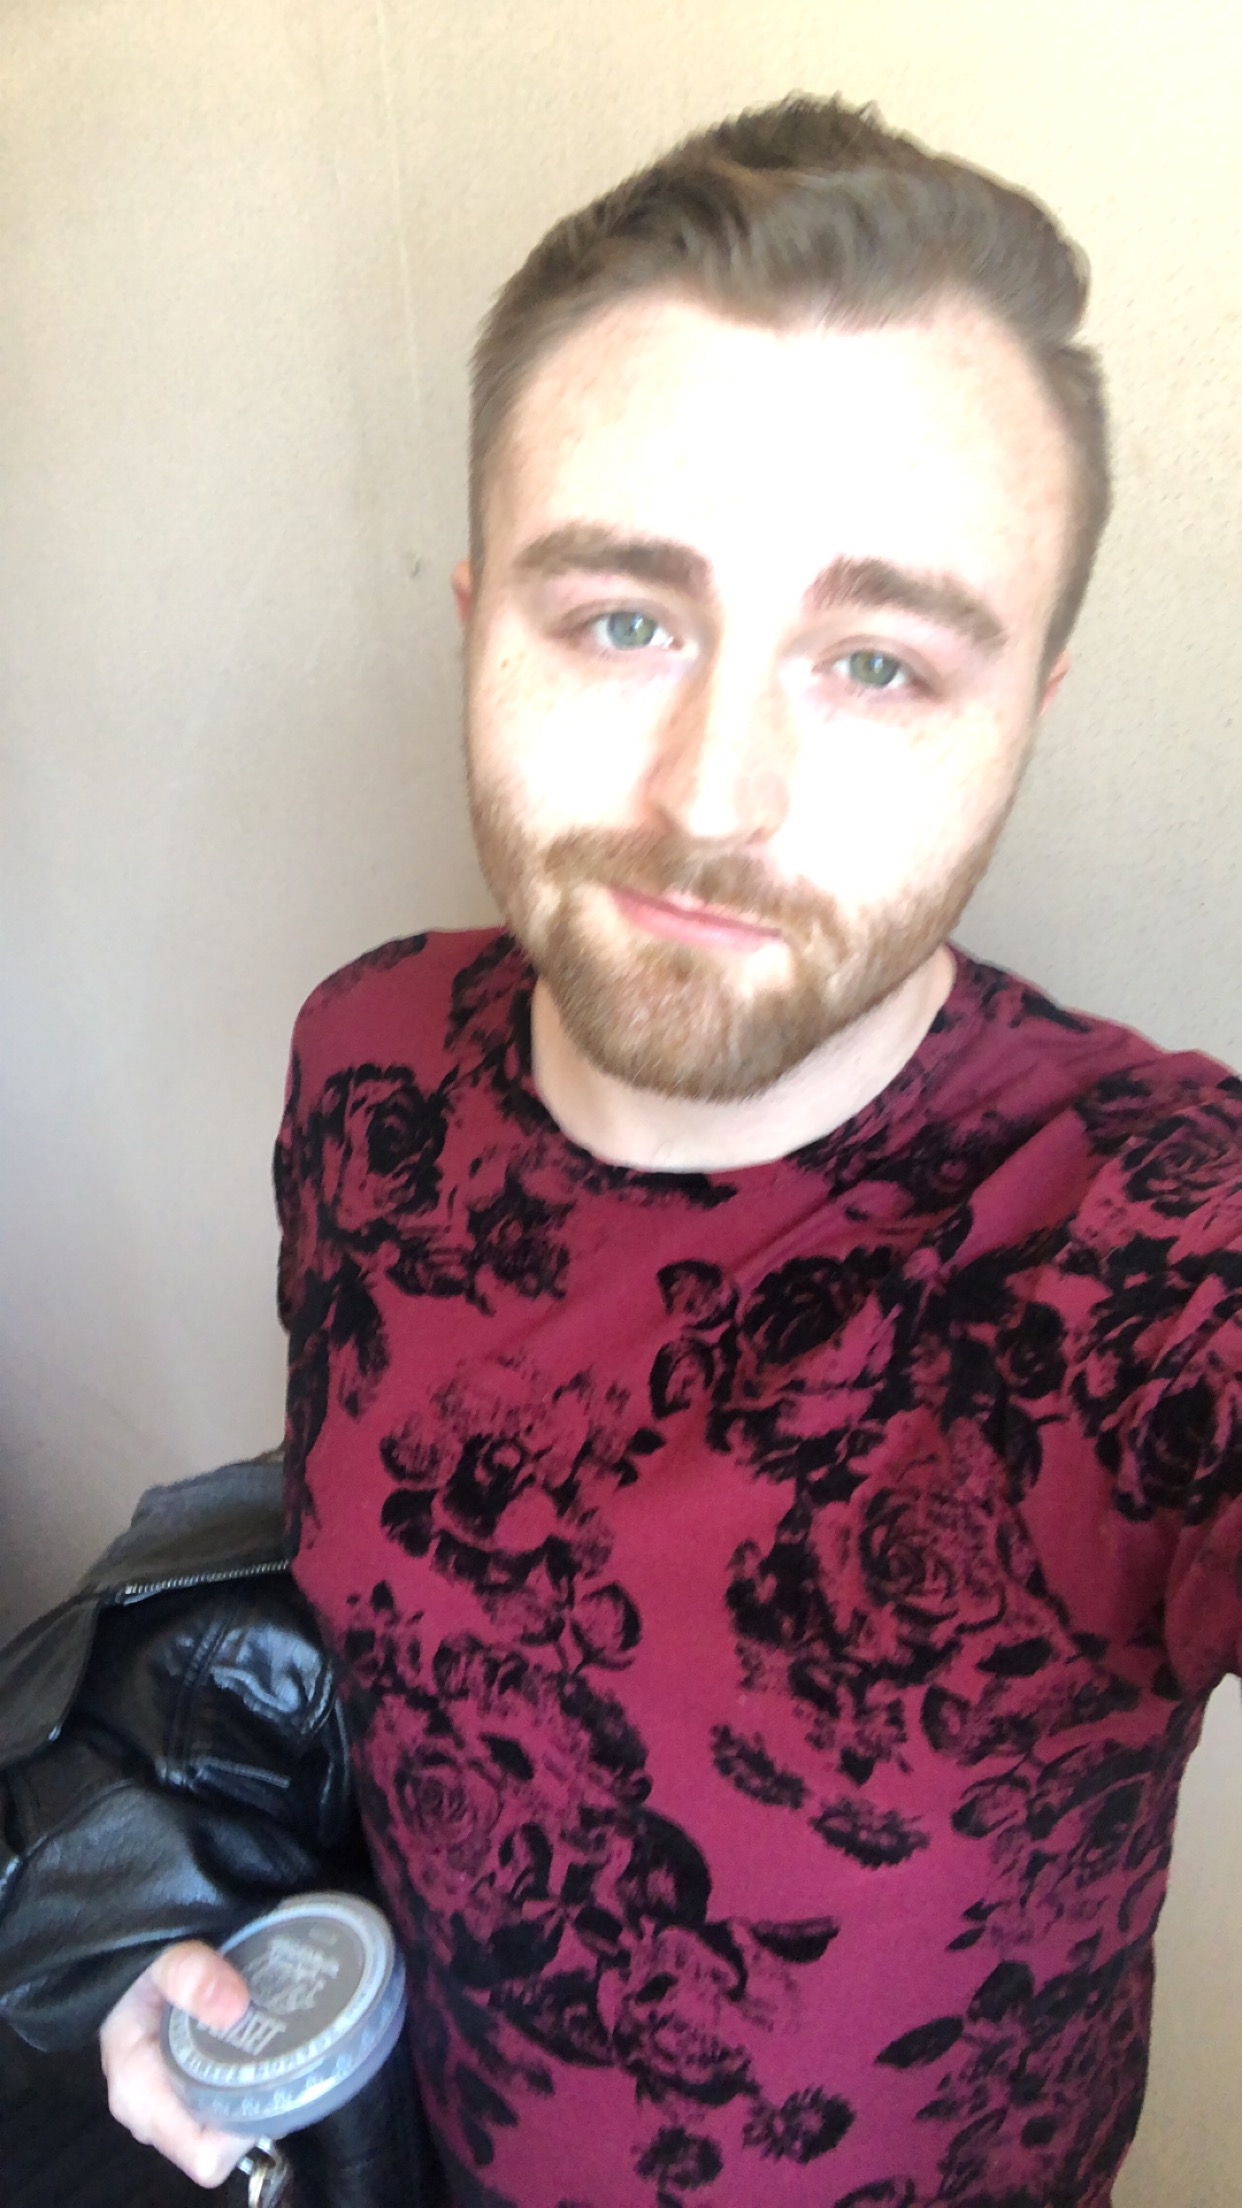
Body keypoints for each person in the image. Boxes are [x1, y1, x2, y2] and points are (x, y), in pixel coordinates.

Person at [82, 94, 1242, 2205]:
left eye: (877, 662)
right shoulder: (366, 1061)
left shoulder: (1145, 1246)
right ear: (475, 620)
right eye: (622, 617)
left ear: (1030, 710)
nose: (715, 798)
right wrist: (234, 1939)